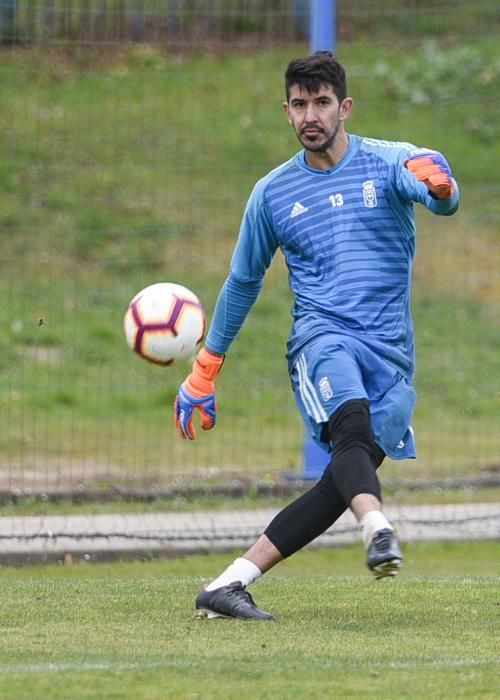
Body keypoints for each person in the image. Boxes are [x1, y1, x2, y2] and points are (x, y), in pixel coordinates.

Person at [174, 51, 460, 621]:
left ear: (344, 108)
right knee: (351, 435)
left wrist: (442, 185)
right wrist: (206, 366)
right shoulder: (272, 193)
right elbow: (242, 282)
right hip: (322, 339)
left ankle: (230, 582)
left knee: (342, 480)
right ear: (286, 111)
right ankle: (378, 527)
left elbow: (439, 194)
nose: (311, 114)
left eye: (322, 102)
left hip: (392, 358)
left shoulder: (388, 162)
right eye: (300, 104)